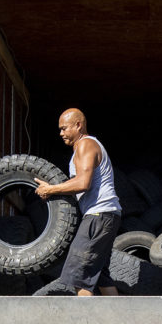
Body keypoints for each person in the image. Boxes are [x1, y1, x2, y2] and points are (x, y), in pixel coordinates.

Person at [34, 108, 122, 296]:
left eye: (64, 128)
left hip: (99, 215)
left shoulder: (85, 145)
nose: (61, 133)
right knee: (99, 275)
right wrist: (53, 189)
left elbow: (83, 183)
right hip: (106, 215)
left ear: (78, 125)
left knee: (78, 273)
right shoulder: (84, 147)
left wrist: (50, 189)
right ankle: (118, 322)